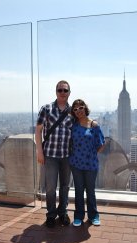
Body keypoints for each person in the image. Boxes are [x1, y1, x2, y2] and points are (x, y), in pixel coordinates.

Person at [35, 80, 74, 228]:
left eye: (65, 90)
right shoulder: (46, 109)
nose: (62, 93)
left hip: (66, 156)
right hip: (50, 155)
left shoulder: (73, 112)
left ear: (69, 93)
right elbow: (38, 130)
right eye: (60, 90)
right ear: (56, 92)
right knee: (50, 187)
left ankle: (63, 213)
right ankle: (51, 215)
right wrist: (40, 151)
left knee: (65, 186)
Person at [69, 99, 105, 227]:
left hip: (91, 164)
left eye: (81, 107)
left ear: (85, 108)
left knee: (90, 191)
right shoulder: (73, 125)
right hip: (76, 163)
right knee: (79, 190)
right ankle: (78, 216)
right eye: (75, 109)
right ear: (73, 112)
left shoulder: (94, 125)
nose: (78, 110)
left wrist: (93, 154)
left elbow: (101, 143)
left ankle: (94, 216)